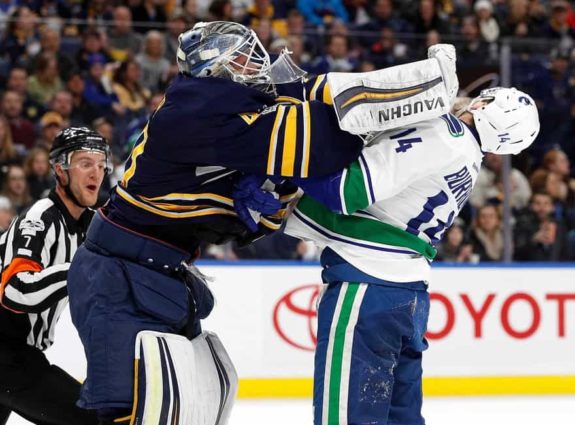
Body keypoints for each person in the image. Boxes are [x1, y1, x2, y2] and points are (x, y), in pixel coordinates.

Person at [66, 20, 365, 425]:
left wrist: (271, 194)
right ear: (213, 67)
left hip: (156, 272)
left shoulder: (219, 118)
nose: (254, 62)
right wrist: (371, 116)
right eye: (240, 55)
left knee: (182, 405)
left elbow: (245, 227)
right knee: (129, 409)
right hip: (117, 277)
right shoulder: (194, 111)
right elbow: (320, 146)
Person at [274, 83, 540, 423]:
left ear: (484, 105)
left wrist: (275, 159)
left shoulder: (443, 135)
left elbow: (345, 191)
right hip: (408, 296)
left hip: (368, 284)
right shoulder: (470, 160)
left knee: (343, 416)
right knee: (400, 417)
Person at [0, 127, 110, 425]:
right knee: (90, 420)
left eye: (101, 165)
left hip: (18, 355)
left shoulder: (89, 224)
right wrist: (78, 270)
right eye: (85, 163)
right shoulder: (39, 220)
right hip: (8, 356)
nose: (96, 173)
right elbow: (14, 290)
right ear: (60, 169)